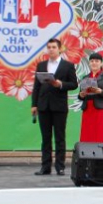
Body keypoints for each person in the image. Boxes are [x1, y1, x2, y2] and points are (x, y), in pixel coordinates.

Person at [31, 38, 78, 176]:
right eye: (49, 47)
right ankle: (45, 167)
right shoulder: (41, 65)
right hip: (43, 106)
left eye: (53, 47)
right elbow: (36, 86)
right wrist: (34, 104)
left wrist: (60, 84)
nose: (51, 49)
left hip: (59, 106)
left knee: (59, 137)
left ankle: (60, 167)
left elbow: (74, 84)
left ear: (60, 49)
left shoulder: (68, 65)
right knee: (45, 138)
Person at [77, 52, 103, 143]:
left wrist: (100, 91)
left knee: (101, 133)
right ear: (89, 63)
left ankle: (102, 151)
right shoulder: (85, 77)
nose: (94, 63)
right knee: (87, 133)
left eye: (97, 61)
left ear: (101, 63)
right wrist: (81, 95)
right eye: (92, 61)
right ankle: (86, 151)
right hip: (87, 109)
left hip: (100, 110)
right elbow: (80, 96)